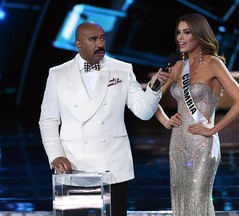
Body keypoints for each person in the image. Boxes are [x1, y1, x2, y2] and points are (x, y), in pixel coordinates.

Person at [38, 21, 169, 216]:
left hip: (112, 164)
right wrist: (55, 155)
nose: (100, 44)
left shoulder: (122, 69)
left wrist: (154, 88)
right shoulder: (58, 74)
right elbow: (48, 120)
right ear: (78, 44)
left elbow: (143, 112)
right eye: (93, 39)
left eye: (102, 38)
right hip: (73, 163)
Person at [154, 13, 239, 215]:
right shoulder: (178, 67)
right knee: (180, 201)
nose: (180, 37)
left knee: (198, 201)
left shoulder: (214, 63)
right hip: (178, 143)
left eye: (186, 32)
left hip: (203, 143)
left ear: (199, 34)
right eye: (178, 32)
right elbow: (150, 101)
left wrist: (214, 129)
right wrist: (164, 120)